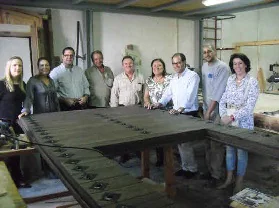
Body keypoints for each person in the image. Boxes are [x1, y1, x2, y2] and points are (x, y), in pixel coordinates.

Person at [152, 53, 200, 178]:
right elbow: (168, 94)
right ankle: (185, 168)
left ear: (184, 61)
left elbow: (191, 96)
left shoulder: (193, 76)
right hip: (177, 112)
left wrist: (180, 108)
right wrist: (159, 103)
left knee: (186, 143)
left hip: (188, 112)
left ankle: (192, 169)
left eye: (179, 62)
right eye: (174, 63)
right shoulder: (174, 78)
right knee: (180, 143)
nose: (176, 65)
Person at [217, 53, 259, 193]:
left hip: (243, 122)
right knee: (229, 150)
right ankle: (229, 179)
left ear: (246, 64)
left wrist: (232, 117)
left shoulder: (252, 82)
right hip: (228, 120)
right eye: (235, 64)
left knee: (241, 152)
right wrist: (223, 114)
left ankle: (240, 181)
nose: (237, 66)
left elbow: (249, 107)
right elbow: (223, 99)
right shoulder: (230, 79)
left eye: (240, 63)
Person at [201, 45, 230, 187]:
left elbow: (218, 92)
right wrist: (205, 109)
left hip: (218, 111)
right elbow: (206, 89)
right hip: (207, 108)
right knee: (207, 142)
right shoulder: (204, 67)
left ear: (215, 52)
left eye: (209, 51)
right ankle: (209, 170)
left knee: (216, 144)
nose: (207, 54)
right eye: (204, 52)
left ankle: (217, 174)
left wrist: (209, 112)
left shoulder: (222, 67)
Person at [0, 56, 30, 188]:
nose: (17, 68)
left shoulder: (23, 84)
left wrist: (26, 110)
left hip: (18, 123)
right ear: (9, 67)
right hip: (3, 124)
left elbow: (26, 103)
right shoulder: (1, 84)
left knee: (16, 153)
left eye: (20, 65)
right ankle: (6, 182)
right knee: (5, 154)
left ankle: (17, 178)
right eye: (15, 65)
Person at [144, 58, 173, 167]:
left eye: (159, 65)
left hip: (168, 111)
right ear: (152, 68)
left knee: (167, 137)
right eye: (154, 66)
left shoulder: (170, 78)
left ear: (164, 67)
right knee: (157, 136)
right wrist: (147, 102)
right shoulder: (149, 80)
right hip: (154, 112)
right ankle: (160, 159)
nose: (157, 67)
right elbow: (146, 96)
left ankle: (169, 160)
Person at [50, 47, 90, 111]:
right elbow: (52, 92)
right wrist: (65, 100)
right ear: (62, 57)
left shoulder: (79, 70)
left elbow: (86, 86)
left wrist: (86, 97)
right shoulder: (55, 72)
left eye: (71, 55)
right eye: (66, 55)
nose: (69, 57)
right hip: (65, 107)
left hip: (81, 105)